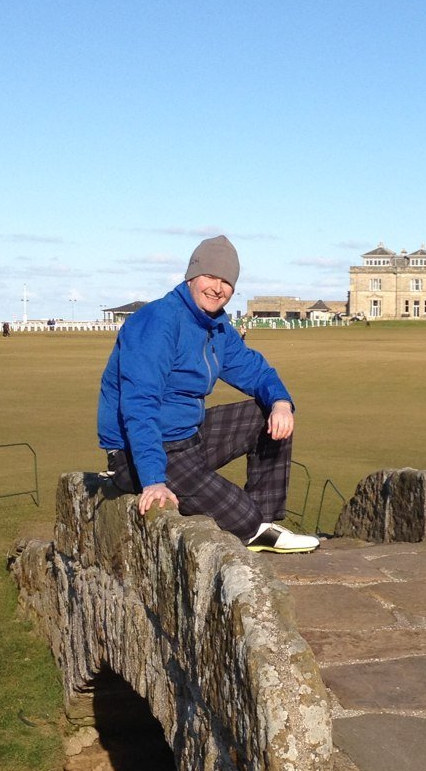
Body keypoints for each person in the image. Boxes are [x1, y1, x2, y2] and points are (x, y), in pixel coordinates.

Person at [97, 235, 319, 553]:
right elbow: (139, 404)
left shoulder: (216, 327)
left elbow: (255, 371)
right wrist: (153, 480)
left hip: (190, 438)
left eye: (226, 281)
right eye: (211, 277)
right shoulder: (159, 321)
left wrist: (281, 403)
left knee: (266, 415)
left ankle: (262, 525)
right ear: (192, 275)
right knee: (243, 518)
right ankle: (250, 525)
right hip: (141, 453)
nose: (217, 288)